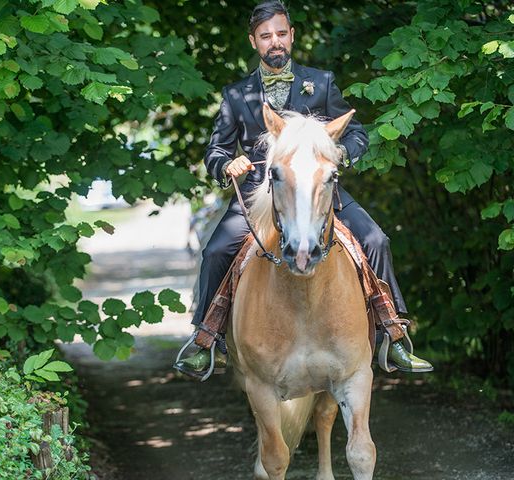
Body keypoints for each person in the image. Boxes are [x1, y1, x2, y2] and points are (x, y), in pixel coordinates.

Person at [174, 1, 433, 378]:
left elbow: (356, 133)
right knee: (215, 251)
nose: (274, 42)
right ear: (253, 42)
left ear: (292, 36)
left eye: (281, 34)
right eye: (266, 36)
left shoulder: (322, 82)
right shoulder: (235, 95)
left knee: (376, 240)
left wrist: (338, 153)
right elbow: (214, 150)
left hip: (318, 191)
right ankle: (206, 338)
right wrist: (227, 164)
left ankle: (393, 336)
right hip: (258, 196)